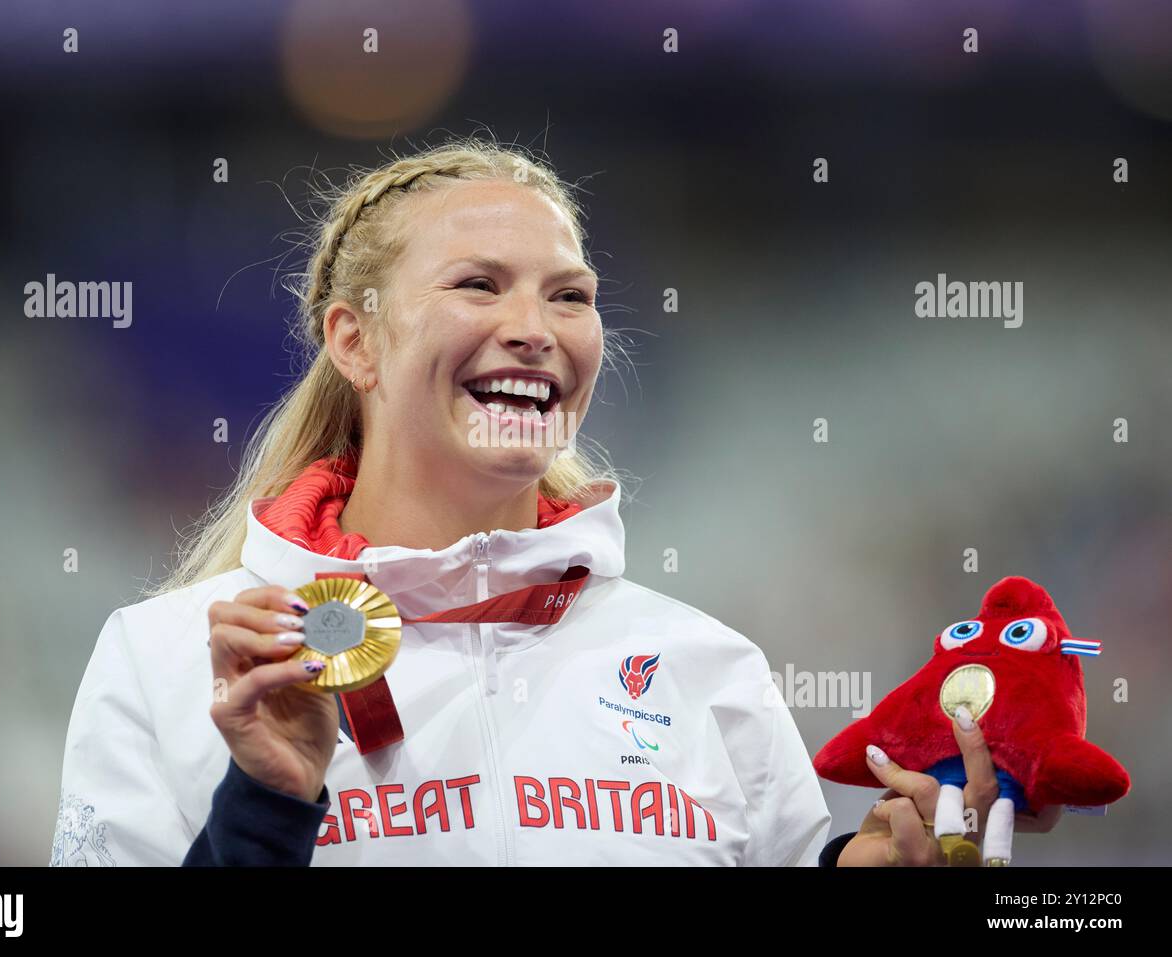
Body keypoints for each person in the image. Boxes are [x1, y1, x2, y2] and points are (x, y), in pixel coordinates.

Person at [49, 136, 1016, 867]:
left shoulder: (703, 664)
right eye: (479, 285)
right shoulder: (173, 660)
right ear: (354, 342)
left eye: (570, 296)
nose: (534, 329)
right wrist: (264, 806)